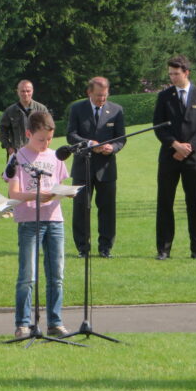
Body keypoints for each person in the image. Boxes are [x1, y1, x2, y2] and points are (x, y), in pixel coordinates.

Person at [5, 111, 70, 338]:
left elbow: (58, 184)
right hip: (30, 220)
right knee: (28, 275)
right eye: (41, 139)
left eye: (49, 139)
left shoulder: (55, 157)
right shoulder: (18, 158)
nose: (45, 144)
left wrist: (64, 193)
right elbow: (13, 192)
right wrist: (35, 196)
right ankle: (23, 323)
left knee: (56, 274)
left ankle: (55, 321)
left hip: (54, 219)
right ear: (28, 133)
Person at [153, 55, 196, 261]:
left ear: (186, 73)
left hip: (192, 158)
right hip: (169, 157)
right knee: (165, 203)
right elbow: (158, 126)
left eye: (176, 74)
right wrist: (174, 145)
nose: (172, 78)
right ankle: (164, 249)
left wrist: (189, 147)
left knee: (194, 203)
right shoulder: (164, 96)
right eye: (170, 74)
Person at [66, 76, 125, 258]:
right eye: (99, 95)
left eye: (105, 95)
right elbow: (71, 135)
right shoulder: (77, 109)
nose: (102, 99)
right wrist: (90, 143)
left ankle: (105, 248)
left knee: (107, 209)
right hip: (83, 166)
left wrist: (112, 148)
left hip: (106, 168)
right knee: (81, 208)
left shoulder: (116, 110)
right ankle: (83, 248)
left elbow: (121, 138)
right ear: (89, 92)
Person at [0, 80, 49, 158]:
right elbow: (2, 130)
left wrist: (44, 145)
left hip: (37, 153)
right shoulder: (10, 111)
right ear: (17, 92)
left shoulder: (41, 110)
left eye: (28, 91)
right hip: (17, 153)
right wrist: (8, 147)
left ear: (32, 91)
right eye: (22, 91)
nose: (25, 94)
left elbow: (48, 130)